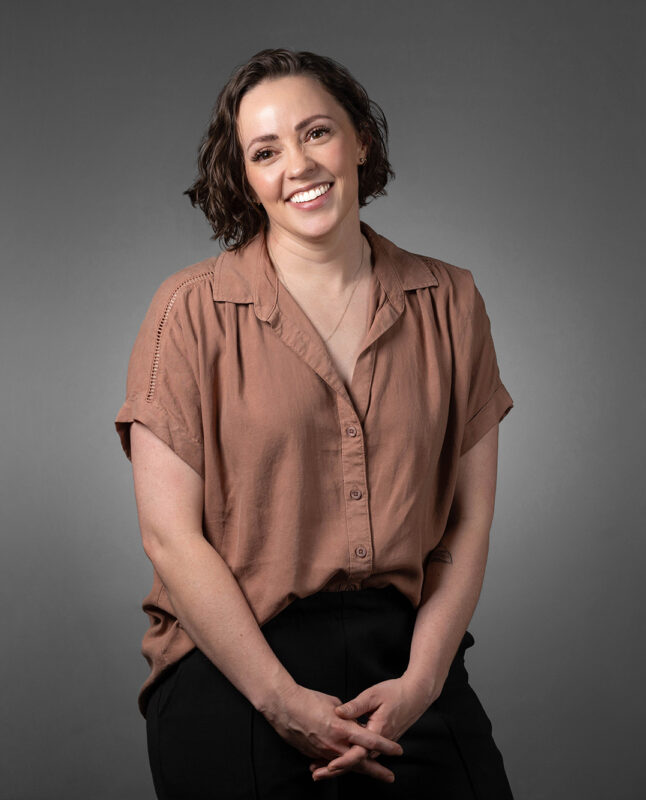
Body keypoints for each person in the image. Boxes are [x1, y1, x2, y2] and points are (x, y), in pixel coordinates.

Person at [115, 48, 515, 798]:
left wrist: (424, 682)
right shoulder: (188, 312)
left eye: (316, 133)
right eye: (265, 151)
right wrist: (279, 698)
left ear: (360, 139)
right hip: (234, 664)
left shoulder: (452, 301)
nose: (297, 165)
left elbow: (469, 522)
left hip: (406, 663)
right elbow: (169, 535)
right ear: (245, 177)